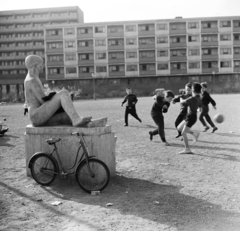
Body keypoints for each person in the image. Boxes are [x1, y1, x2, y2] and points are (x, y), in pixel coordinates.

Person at [24, 55, 107, 127]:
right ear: (35, 66)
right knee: (63, 93)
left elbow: (42, 99)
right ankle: (76, 119)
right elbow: (43, 100)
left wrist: (55, 97)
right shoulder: (32, 80)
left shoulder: (32, 78)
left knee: (67, 116)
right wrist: (58, 97)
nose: (42, 67)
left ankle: (90, 124)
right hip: (37, 116)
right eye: (40, 65)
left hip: (37, 117)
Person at [177, 82, 202, 154]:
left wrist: (181, 97)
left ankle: (187, 149)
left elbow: (182, 102)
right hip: (190, 116)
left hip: (191, 117)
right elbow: (200, 108)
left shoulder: (192, 98)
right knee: (179, 127)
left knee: (183, 133)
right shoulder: (199, 98)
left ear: (193, 90)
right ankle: (194, 133)